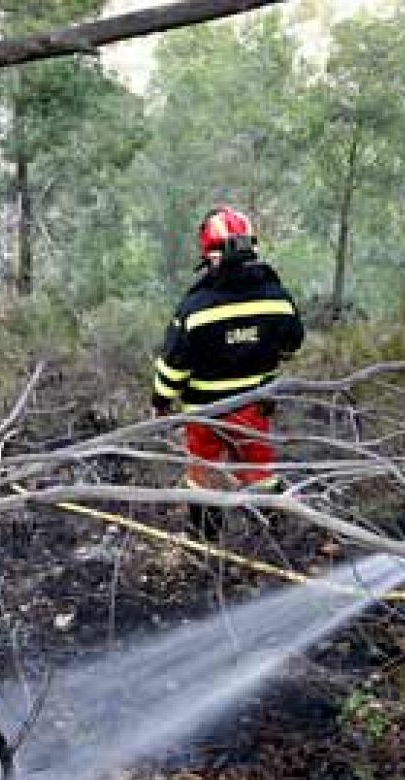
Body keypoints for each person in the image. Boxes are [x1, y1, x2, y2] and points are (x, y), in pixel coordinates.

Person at [151, 206, 306, 539]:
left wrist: (161, 402)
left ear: (211, 254)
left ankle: (205, 542)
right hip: (255, 403)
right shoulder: (278, 298)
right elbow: (292, 344)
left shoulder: (195, 308)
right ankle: (275, 533)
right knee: (259, 468)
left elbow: (173, 365)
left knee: (203, 476)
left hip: (205, 412)